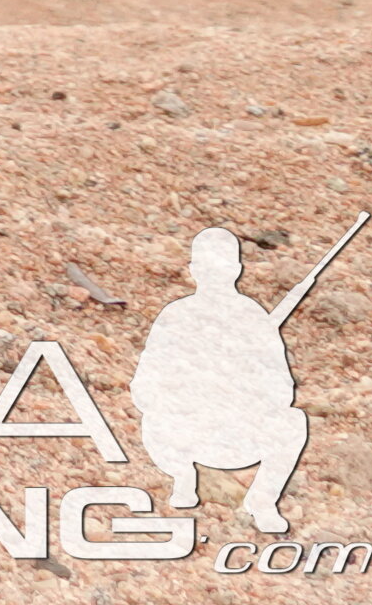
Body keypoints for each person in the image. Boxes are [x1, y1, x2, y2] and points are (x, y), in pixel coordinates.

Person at [128, 225, 312, 537]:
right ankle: (183, 477)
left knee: (294, 421)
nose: (215, 274)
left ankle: (262, 501)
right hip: (181, 434)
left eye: (221, 267)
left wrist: (242, 388)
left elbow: (282, 389)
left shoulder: (253, 318)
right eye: (208, 267)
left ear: (236, 270)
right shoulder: (176, 315)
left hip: (236, 433)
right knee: (156, 415)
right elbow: (144, 385)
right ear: (194, 270)